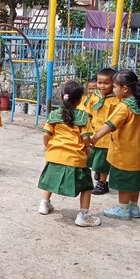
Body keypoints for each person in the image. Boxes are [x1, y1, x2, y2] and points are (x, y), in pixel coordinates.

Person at [90, 70, 140, 220]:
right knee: (135, 180)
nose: (113, 90)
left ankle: (123, 209)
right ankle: (133, 207)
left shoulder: (124, 107)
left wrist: (95, 138)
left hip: (125, 151)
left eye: (115, 87)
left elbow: (110, 124)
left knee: (123, 181)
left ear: (125, 88)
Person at [37, 81, 100, 227]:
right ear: (79, 101)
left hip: (54, 156)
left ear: (61, 97)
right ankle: (83, 215)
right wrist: (87, 148)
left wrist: (49, 146)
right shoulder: (83, 117)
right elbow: (85, 138)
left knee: (50, 180)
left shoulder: (54, 114)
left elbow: (46, 134)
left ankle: (44, 204)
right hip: (75, 157)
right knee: (86, 186)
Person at [87, 68, 119, 194]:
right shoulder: (95, 96)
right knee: (93, 157)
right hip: (93, 133)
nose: (102, 86)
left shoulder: (116, 99)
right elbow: (89, 111)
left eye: (106, 83)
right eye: (100, 83)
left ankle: (102, 183)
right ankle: (98, 173)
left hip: (107, 137)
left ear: (113, 84)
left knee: (103, 161)